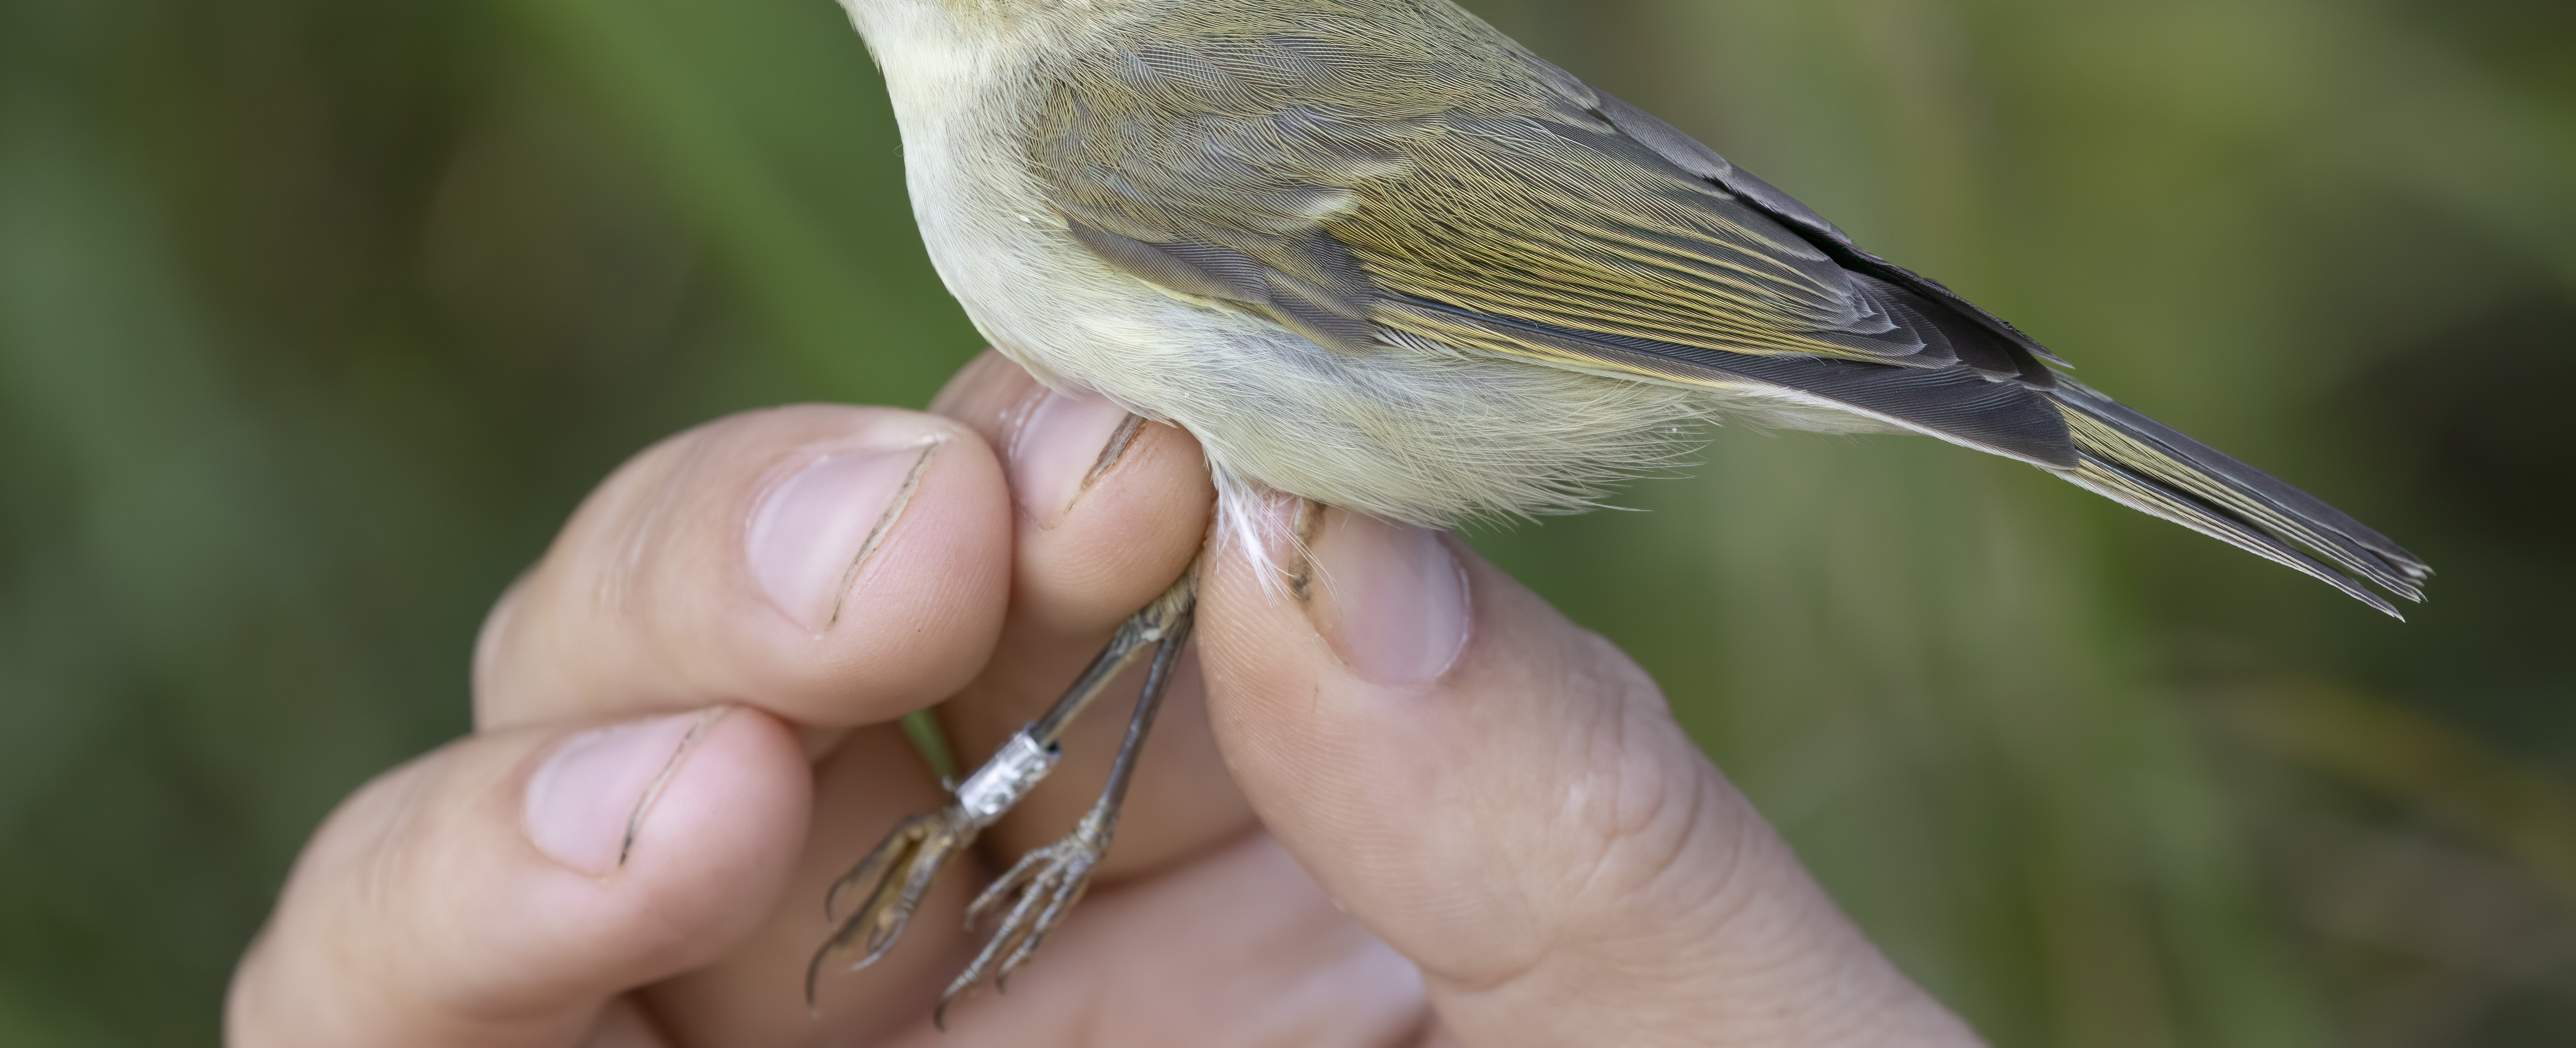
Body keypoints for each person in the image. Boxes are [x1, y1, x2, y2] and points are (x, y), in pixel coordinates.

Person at [226, 351, 1982, 1045]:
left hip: (1526, 350)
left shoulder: (1068, 118)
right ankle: (1002, 822)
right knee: (1130, 564)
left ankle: (1004, 825)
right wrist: (993, 821)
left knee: (1141, 550)